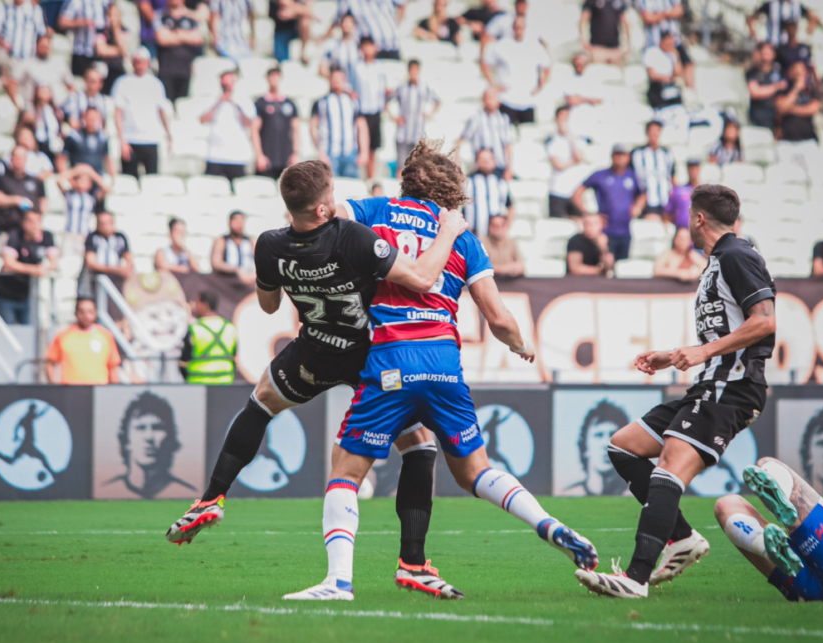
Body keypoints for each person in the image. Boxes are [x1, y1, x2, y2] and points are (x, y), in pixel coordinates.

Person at [283, 143, 597, 601]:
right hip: (444, 364)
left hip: (390, 360)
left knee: (345, 473)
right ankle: (546, 523)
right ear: (453, 190)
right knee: (475, 471)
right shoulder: (462, 237)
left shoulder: (376, 210)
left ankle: (338, 582)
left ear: (407, 179)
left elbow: (327, 213)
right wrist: (521, 345)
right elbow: (499, 317)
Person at [166, 156, 482, 602]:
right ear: (320, 208)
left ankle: (212, 497)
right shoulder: (351, 236)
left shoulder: (269, 245)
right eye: (331, 195)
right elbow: (420, 278)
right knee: (421, 445)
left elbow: (270, 306)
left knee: (260, 402)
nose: (336, 201)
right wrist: (449, 231)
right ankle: (413, 560)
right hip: (369, 354)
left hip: (314, 348)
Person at [579, 184, 776, 598]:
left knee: (669, 466)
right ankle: (683, 538)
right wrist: (673, 356)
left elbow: (764, 321)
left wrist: (702, 351)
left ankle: (634, 579)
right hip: (710, 381)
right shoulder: (718, 261)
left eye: (689, 213)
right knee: (623, 447)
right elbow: (729, 327)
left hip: (733, 386)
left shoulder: (738, 255)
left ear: (699, 218)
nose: (685, 220)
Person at [715, 456, 823, 602]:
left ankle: (769, 546)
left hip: (804, 577)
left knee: (765, 467)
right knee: (726, 505)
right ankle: (774, 543)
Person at [107, 391, 192, 498]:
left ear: (170, 437)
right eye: (140, 428)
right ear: (125, 438)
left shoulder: (186, 492)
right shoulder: (107, 487)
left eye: (157, 428)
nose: (149, 437)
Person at [480, 15, 551, 127]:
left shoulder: (534, 46)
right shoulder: (502, 45)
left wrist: (540, 85)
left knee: (528, 135)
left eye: (521, 27)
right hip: (507, 98)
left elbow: (547, 65)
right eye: (516, 27)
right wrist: (494, 84)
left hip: (528, 99)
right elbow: (485, 62)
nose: (518, 29)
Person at [573, 145, 641, 261]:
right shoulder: (601, 175)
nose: (620, 158)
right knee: (607, 265)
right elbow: (577, 193)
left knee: (623, 269)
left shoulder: (632, 176)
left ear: (628, 157)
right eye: (617, 155)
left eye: (623, 155)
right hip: (606, 231)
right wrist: (588, 213)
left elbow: (643, 194)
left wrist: (638, 207)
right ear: (612, 156)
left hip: (625, 231)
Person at [112, 48, 172, 178]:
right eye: (137, 61)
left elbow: (161, 112)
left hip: (151, 139)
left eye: (142, 61)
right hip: (131, 139)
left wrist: (169, 135)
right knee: (129, 179)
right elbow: (118, 113)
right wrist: (122, 140)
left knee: (152, 180)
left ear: (148, 63)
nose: (139, 64)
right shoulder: (123, 83)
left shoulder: (156, 84)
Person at [0, 208, 58, 324]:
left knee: (29, 332)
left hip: (28, 295)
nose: (34, 225)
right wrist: (34, 270)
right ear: (23, 223)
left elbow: (53, 263)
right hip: (7, 293)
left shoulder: (47, 236)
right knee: (8, 332)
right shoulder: (15, 235)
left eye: (37, 221)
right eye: (31, 221)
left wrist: (43, 267)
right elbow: (9, 264)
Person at [0, 0, 48, 95]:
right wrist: (1, 42)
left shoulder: (35, 10)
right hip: (7, 55)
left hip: (27, 57)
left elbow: (42, 34)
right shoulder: (3, 9)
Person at [562, 400, 630, 496]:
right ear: (585, 447)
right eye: (598, 435)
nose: (606, 443)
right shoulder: (568, 494)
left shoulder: (635, 495)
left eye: (613, 434)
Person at [45, 298, 121, 384]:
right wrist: (54, 386)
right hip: (69, 391)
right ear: (75, 313)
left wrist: (115, 389)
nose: (86, 316)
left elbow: (113, 367)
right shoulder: (63, 335)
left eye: (90, 312)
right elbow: (50, 363)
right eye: (82, 312)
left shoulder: (105, 335)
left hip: (98, 390)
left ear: (95, 313)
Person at [201, 71, 256, 187]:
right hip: (215, 155)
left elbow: (248, 123)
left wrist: (234, 103)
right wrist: (220, 101)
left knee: (240, 189)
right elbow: (203, 119)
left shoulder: (243, 100)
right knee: (210, 188)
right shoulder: (213, 99)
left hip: (237, 156)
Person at [310, 68, 368, 178]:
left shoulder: (353, 102)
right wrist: (320, 151)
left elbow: (362, 127)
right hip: (330, 153)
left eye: (339, 79)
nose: (336, 81)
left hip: (350, 152)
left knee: (352, 190)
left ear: (345, 80)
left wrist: (364, 152)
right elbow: (313, 128)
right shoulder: (321, 102)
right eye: (334, 78)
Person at [349, 36, 389, 180]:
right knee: (361, 147)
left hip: (376, 111)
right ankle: (361, 177)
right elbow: (352, 87)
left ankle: (370, 178)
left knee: (373, 148)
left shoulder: (379, 67)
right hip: (362, 111)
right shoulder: (357, 67)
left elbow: (384, 88)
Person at [179, 291, 238, 384]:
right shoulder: (230, 327)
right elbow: (234, 357)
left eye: (197, 302)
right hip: (226, 384)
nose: (194, 306)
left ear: (205, 305)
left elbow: (183, 362)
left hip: (197, 384)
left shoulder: (194, 329)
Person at [390, 59, 440, 167]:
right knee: (401, 166)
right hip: (403, 133)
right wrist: (394, 117)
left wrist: (430, 114)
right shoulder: (402, 87)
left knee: (416, 167)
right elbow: (388, 100)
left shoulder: (424, 88)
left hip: (417, 133)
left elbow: (437, 101)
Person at [252, 66, 299, 180]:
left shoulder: (289, 103)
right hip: (267, 156)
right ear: (267, 79)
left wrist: (295, 154)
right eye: (272, 77)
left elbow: (295, 130)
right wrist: (259, 155)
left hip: (285, 157)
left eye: (277, 77)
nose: (275, 80)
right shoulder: (261, 103)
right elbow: (254, 130)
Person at [775, 61, 820, 177]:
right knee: (786, 176)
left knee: (813, 175)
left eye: (801, 70)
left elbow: (813, 108)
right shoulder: (784, 89)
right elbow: (781, 108)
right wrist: (796, 88)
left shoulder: (811, 91)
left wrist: (791, 109)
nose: (798, 73)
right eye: (795, 70)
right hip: (786, 141)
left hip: (808, 140)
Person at [456, 89, 513, 180]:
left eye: (492, 98)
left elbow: (507, 145)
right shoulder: (476, 118)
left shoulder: (503, 119)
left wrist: (509, 168)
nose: (490, 101)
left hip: (499, 166)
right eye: (487, 98)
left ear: (498, 101)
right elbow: (462, 140)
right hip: (480, 166)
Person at [635, 0, 693, 89]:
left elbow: (679, 11)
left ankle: (690, 93)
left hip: (673, 41)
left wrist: (658, 15)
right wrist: (668, 13)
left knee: (687, 65)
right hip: (654, 42)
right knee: (659, 72)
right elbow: (648, 17)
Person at [8, 35, 74, 111]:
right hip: (31, 109)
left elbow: (71, 87)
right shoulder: (26, 63)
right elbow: (12, 83)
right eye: (42, 46)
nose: (44, 48)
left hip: (56, 109)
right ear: (36, 46)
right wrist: (18, 106)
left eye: (46, 46)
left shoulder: (60, 64)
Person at [155, 0, 203, 102]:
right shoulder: (161, 16)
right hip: (166, 69)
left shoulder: (191, 17)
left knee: (183, 105)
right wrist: (185, 35)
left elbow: (197, 38)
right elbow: (162, 38)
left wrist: (175, 34)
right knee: (167, 104)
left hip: (185, 70)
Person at [0, 145, 47, 234]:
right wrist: (16, 200)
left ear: (26, 159)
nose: (19, 160)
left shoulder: (36, 181)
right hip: (8, 229)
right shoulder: (3, 179)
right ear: (11, 158)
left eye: (21, 157)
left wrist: (35, 221)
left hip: (29, 233)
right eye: (16, 156)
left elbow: (43, 204)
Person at [546, 105, 589, 219]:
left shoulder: (578, 138)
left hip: (575, 191)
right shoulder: (552, 139)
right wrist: (574, 161)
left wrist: (570, 136)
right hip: (557, 190)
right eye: (562, 117)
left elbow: (580, 156)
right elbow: (559, 165)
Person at [81, 210, 133, 298]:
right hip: (97, 278)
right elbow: (91, 263)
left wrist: (124, 270)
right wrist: (115, 269)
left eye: (108, 223)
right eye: (102, 223)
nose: (106, 227)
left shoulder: (120, 237)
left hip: (116, 279)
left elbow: (129, 259)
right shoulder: (92, 237)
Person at [631, 120, 675, 222]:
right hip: (647, 201)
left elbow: (672, 176)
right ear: (647, 133)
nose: (654, 134)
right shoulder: (637, 153)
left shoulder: (667, 153)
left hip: (665, 200)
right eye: (652, 131)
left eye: (657, 131)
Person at [464, 149, 513, 239]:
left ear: (494, 161)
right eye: (482, 159)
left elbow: (510, 207)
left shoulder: (500, 182)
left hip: (494, 237)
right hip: (474, 234)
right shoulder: (468, 182)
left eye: (489, 159)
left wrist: (505, 227)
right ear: (477, 162)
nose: (486, 162)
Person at [58, 0, 114, 77]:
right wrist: (82, 23)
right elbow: (62, 22)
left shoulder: (103, 2)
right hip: (81, 52)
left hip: (99, 53)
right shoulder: (76, 2)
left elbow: (113, 12)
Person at [332, 0, 403, 60]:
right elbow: (339, 18)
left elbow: (402, 4)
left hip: (393, 45)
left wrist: (396, 26)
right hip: (371, 50)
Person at [58, 107, 115, 179]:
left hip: (97, 179)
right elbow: (61, 159)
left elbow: (108, 160)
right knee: (84, 169)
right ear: (84, 118)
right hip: (78, 180)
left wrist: (113, 179)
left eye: (94, 119)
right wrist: (69, 179)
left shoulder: (103, 138)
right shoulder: (74, 137)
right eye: (89, 118)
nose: (92, 121)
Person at [746, 42, 787, 131]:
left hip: (775, 116)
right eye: (763, 52)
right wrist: (776, 87)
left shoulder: (778, 70)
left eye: (768, 52)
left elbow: (784, 87)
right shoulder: (753, 72)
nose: (766, 55)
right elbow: (755, 92)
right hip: (758, 115)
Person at [747, 0, 819, 47]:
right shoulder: (771, 5)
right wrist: (756, 37)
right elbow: (750, 18)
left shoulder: (797, 6)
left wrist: (808, 33)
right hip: (773, 45)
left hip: (791, 47)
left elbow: (813, 18)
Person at [210, 211, 255, 284]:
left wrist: (254, 275)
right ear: (230, 223)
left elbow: (260, 261)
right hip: (227, 279)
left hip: (249, 278)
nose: (239, 225)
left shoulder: (250, 241)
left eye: (241, 221)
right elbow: (216, 263)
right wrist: (236, 270)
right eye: (236, 221)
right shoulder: (222, 241)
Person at [579, 0, 629, 65]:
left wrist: (627, 45)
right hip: (597, 48)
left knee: (616, 73)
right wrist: (584, 42)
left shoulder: (620, 2)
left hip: (615, 49)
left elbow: (625, 23)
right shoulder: (591, 2)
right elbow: (583, 21)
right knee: (599, 72)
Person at [643, 31, 683, 110]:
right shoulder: (652, 52)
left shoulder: (672, 55)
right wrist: (664, 78)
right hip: (657, 86)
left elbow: (678, 73)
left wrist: (676, 56)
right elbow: (652, 75)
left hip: (670, 86)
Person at [317, 11, 358, 79]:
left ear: (354, 25)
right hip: (339, 87)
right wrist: (334, 79)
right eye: (344, 22)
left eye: (349, 22)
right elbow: (323, 67)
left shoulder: (358, 46)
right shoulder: (332, 45)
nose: (346, 25)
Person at [482, 214, 523, 278]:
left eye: (502, 225)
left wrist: (515, 268)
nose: (499, 228)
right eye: (495, 225)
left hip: (510, 284)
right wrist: (506, 269)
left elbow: (521, 267)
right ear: (489, 227)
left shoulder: (512, 242)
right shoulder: (482, 243)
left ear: (506, 227)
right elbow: (482, 267)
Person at [663, 157, 699, 230]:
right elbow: (667, 213)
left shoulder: (706, 192)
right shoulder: (678, 190)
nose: (692, 171)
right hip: (682, 233)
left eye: (695, 168)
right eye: (690, 168)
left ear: (699, 169)